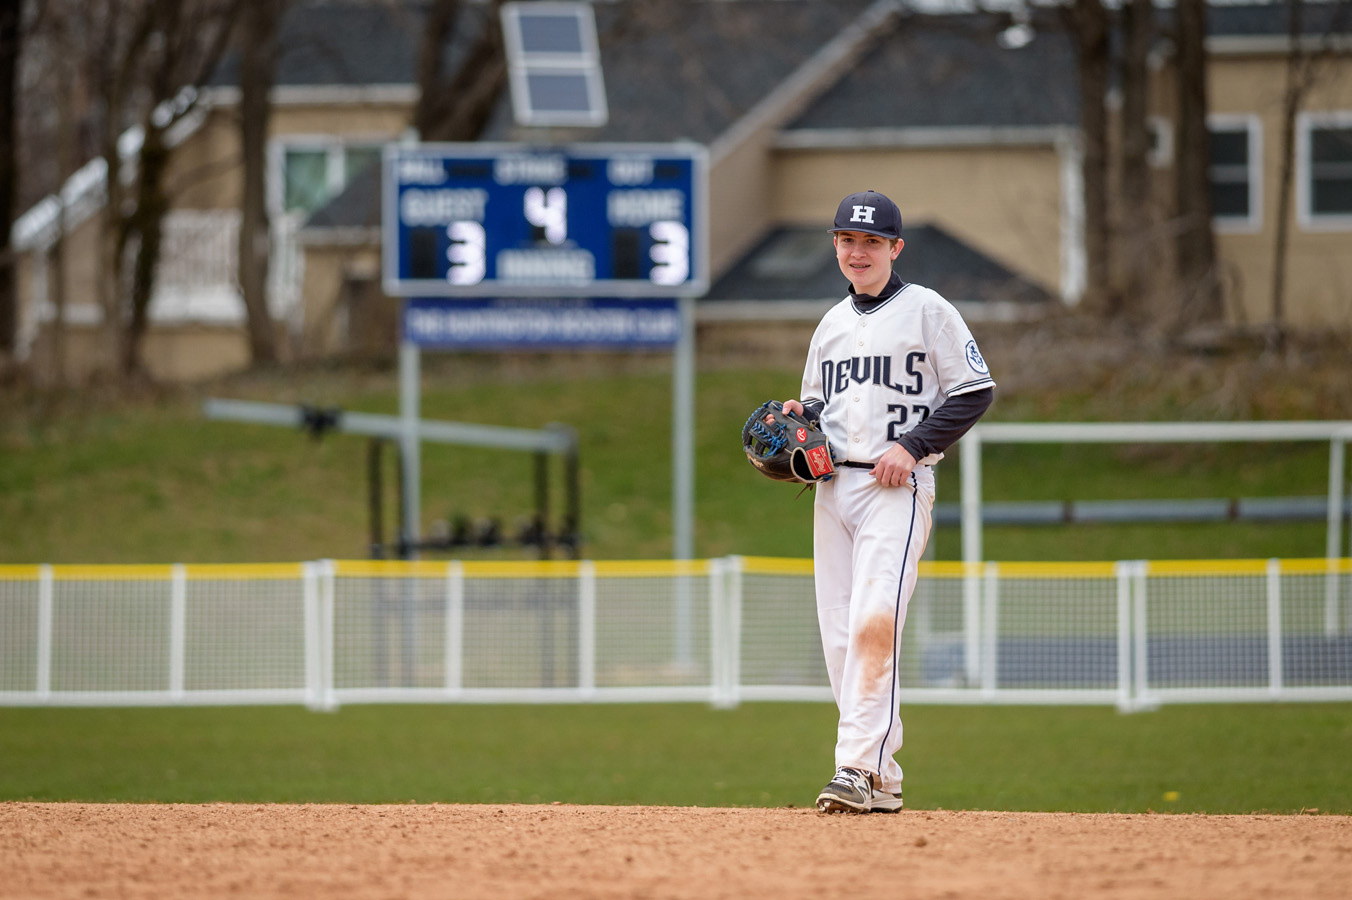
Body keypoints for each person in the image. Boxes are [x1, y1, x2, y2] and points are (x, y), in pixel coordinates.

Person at [781, 189, 995, 814]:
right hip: (832, 489)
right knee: (842, 638)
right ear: (837, 246)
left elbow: (974, 390)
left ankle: (853, 768)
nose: (858, 251)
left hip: (894, 489)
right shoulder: (830, 325)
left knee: (878, 621)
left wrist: (912, 445)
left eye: (872, 241)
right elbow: (822, 406)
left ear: (895, 248)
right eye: (848, 240)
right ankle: (882, 776)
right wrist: (802, 420)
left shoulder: (928, 310)